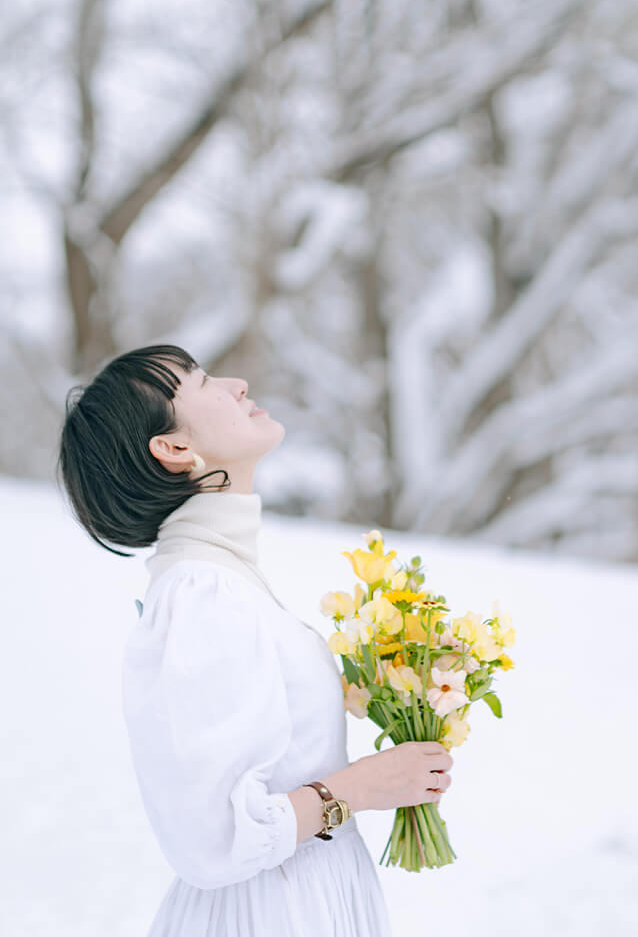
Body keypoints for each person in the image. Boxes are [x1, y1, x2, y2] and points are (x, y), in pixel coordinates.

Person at [57, 343, 453, 937]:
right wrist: (363, 787)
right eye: (202, 382)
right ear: (174, 449)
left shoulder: (222, 579)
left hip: (306, 898)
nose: (237, 384)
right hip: (269, 913)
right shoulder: (201, 592)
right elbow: (212, 840)